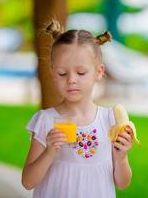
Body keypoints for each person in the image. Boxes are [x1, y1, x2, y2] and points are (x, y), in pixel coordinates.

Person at [21, 19, 134, 198]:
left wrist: (121, 158)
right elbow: (27, 182)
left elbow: (123, 183)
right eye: (62, 73)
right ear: (52, 73)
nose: (71, 79)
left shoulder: (110, 121)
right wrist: (50, 152)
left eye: (81, 73)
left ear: (99, 72)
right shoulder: (46, 120)